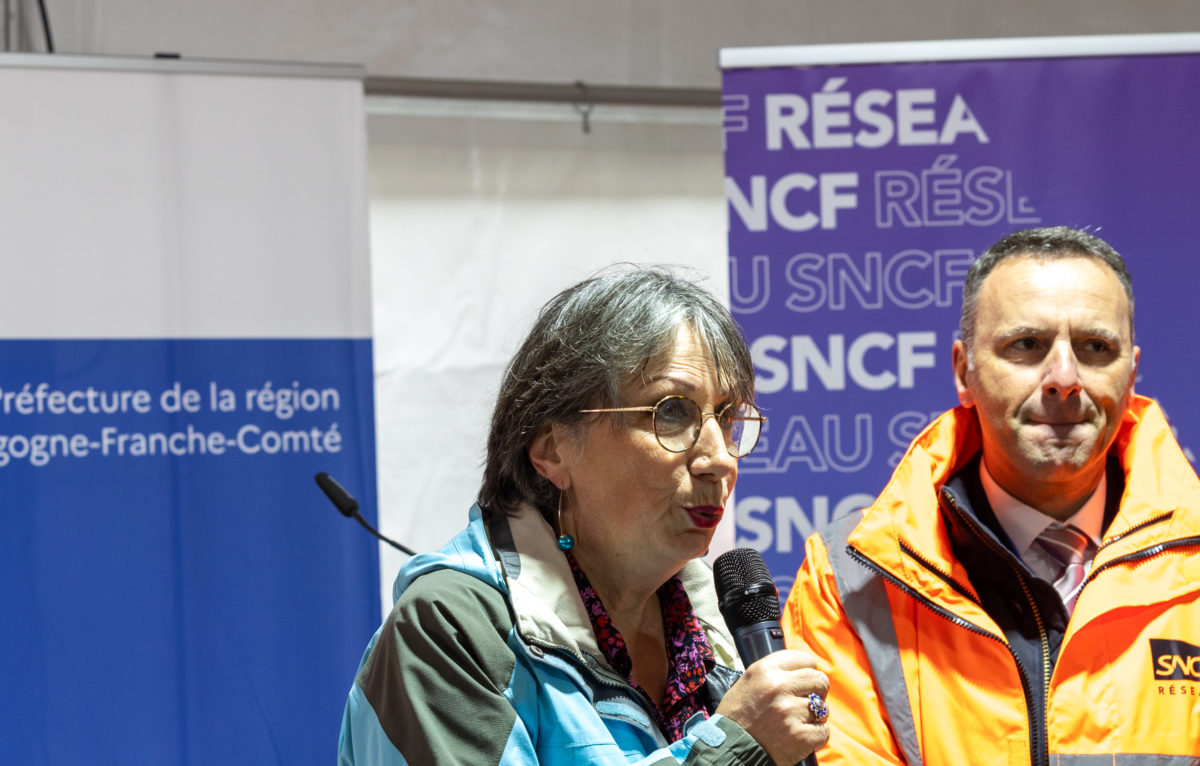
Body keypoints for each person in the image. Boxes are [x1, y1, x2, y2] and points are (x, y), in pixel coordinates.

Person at [339, 267, 830, 765]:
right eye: (672, 412)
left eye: (727, 419)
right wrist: (734, 748)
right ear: (552, 450)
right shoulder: (450, 628)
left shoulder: (716, 635)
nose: (720, 458)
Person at [782, 226, 1200, 764]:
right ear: (964, 371)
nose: (1065, 378)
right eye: (1026, 345)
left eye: (1096, 348)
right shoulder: (851, 577)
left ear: (1132, 373)